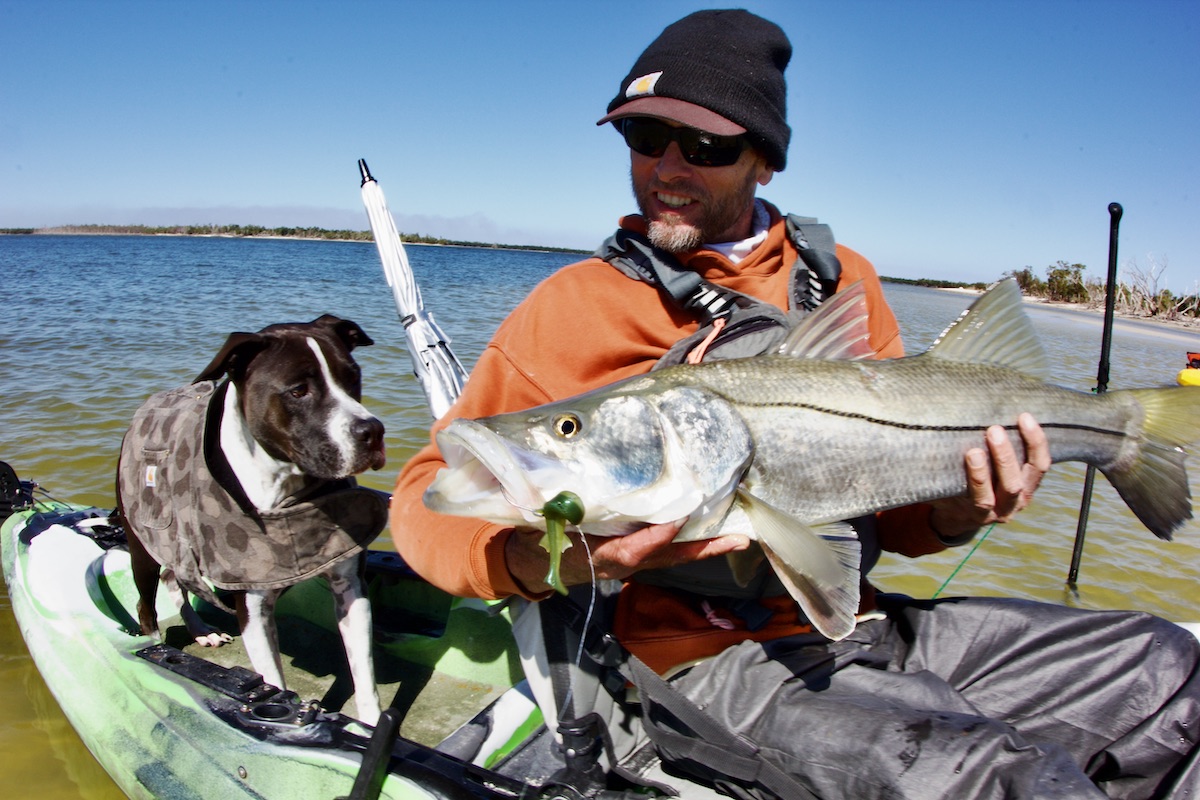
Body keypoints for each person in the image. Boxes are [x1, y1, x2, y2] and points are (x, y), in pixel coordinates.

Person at [391, 10, 1199, 799]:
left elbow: (905, 527)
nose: (666, 167)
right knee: (995, 776)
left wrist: (968, 507)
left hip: (866, 625)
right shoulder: (571, 307)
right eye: (644, 138)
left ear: (764, 160)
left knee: (1171, 670)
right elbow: (426, 498)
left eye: (705, 145)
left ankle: (1128, 430)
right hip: (699, 663)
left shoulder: (844, 278)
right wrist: (546, 559)